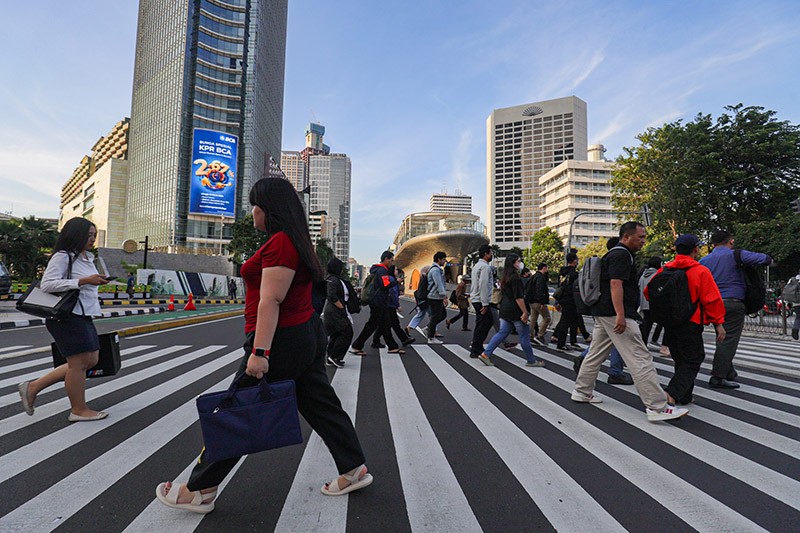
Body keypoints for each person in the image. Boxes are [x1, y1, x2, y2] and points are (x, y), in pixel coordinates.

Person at [156, 177, 371, 514]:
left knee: (238, 410)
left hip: (281, 338)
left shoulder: (281, 243)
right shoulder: (294, 240)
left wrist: (259, 353)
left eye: (254, 205)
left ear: (268, 209)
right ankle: (353, 467)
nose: (252, 212)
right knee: (321, 405)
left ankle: (198, 490)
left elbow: (271, 299)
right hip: (304, 334)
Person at [572, 221, 689, 422]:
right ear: (626, 237)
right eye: (640, 237)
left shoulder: (614, 253)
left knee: (595, 354)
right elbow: (615, 285)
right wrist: (621, 314)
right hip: (617, 314)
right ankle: (657, 406)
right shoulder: (622, 255)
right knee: (640, 357)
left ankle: (582, 391)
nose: (643, 241)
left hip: (604, 312)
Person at [17, 217, 110, 422]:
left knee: (91, 360)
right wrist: (82, 281)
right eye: (88, 235)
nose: (92, 239)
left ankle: (33, 387)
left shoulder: (86, 258)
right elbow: (48, 284)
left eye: (94, 235)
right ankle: (78, 410)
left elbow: (83, 285)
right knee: (78, 364)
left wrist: (94, 281)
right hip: (66, 316)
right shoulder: (63, 256)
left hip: (84, 314)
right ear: (75, 234)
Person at [646, 234, 726, 405]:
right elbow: (711, 299)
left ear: (676, 250)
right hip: (691, 321)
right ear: (695, 249)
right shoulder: (700, 271)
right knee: (693, 359)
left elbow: (648, 292)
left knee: (681, 359)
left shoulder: (664, 270)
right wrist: (718, 324)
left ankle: (685, 396)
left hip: (670, 322)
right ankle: (672, 394)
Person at [699, 230, 773, 388]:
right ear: (731, 241)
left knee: (722, 337)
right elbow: (765, 259)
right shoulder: (736, 255)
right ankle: (718, 377)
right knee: (728, 340)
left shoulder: (704, 260)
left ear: (713, 244)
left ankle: (729, 372)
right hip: (732, 303)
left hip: (712, 305)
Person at [478, 254, 545, 367]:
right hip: (515, 311)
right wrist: (525, 312)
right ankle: (531, 360)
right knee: (524, 336)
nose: (520, 263)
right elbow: (518, 297)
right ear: (513, 263)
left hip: (505, 310)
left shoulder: (505, 277)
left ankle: (486, 354)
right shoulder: (515, 278)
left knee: (502, 333)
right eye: (518, 261)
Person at [351, 251, 401, 355]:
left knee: (385, 324)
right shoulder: (382, 270)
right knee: (372, 325)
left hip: (378, 301)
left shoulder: (377, 269)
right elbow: (385, 285)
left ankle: (392, 346)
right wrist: (396, 281)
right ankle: (357, 346)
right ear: (386, 259)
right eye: (391, 260)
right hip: (379, 301)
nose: (391, 263)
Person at [323, 257, 357, 368]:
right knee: (347, 332)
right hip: (335, 312)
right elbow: (331, 295)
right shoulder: (332, 279)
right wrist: (341, 307)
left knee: (336, 334)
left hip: (336, 311)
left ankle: (331, 357)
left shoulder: (336, 279)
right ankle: (335, 356)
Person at [372, 265, 414, 349]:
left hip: (387, 304)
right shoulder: (392, 280)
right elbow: (393, 293)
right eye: (396, 270)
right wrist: (397, 305)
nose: (397, 271)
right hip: (390, 305)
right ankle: (403, 339)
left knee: (387, 324)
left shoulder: (390, 278)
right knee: (392, 324)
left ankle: (376, 340)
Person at [470, 244, 494, 358]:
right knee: (484, 324)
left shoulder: (476, 266)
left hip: (476, 298)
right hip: (481, 300)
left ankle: (477, 346)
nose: (492, 255)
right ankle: (476, 348)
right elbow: (483, 285)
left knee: (484, 323)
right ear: (486, 254)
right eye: (491, 253)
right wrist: (485, 303)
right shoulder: (485, 267)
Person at [552, 254, 581, 352]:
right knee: (567, 322)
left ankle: (571, 341)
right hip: (571, 299)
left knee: (571, 320)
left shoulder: (562, 273)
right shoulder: (574, 274)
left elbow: (559, 286)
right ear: (574, 261)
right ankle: (562, 344)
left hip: (562, 299)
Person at [638, 256, 663, 351]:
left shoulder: (643, 275)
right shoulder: (657, 275)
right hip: (653, 304)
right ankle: (655, 340)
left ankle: (642, 344)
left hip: (644, 303)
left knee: (646, 325)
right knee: (661, 323)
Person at [426, 251, 450, 344]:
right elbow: (439, 284)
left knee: (442, 315)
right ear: (439, 259)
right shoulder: (435, 270)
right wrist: (444, 296)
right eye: (443, 259)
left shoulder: (436, 269)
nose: (444, 261)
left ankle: (428, 328)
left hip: (436, 296)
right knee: (435, 317)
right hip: (434, 297)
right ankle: (431, 337)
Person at [527, 263, 551, 346]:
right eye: (547, 268)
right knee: (547, 318)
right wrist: (542, 302)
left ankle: (531, 336)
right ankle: (540, 335)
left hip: (531, 302)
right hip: (538, 302)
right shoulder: (540, 277)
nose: (547, 270)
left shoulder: (533, 276)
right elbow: (540, 289)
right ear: (544, 268)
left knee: (533, 319)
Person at [407, 265, 432, 336]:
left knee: (421, 314)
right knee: (433, 315)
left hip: (422, 300)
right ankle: (432, 330)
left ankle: (409, 328)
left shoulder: (422, 278)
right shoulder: (426, 279)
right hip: (426, 300)